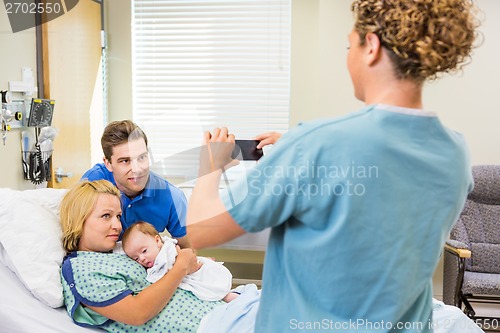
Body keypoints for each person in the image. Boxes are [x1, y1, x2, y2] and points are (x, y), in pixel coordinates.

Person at [187, 1, 479, 332]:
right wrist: (300, 150)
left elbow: (199, 230)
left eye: (348, 45)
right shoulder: (454, 151)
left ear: (371, 46)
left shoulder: (316, 145)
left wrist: (210, 166)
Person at [58, 179, 223, 332]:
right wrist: (181, 266)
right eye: (106, 216)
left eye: (118, 216)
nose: (117, 225)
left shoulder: (119, 250)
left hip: (221, 313)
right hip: (207, 326)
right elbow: (137, 313)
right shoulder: (81, 268)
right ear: (78, 220)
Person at [81, 120, 191, 248]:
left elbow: (188, 250)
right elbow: (72, 236)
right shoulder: (92, 183)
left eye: (142, 157)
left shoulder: (173, 197)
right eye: (125, 161)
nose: (137, 169)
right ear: (108, 164)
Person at [121, 221, 239, 302]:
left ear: (157, 241)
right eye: (136, 258)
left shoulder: (166, 250)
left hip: (195, 273)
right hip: (187, 274)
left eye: (144, 251)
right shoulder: (155, 257)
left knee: (211, 288)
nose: (142, 259)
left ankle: (231, 298)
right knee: (213, 293)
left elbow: (178, 263)